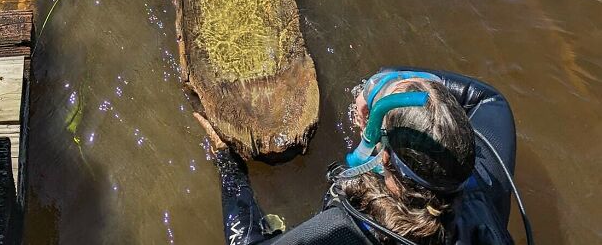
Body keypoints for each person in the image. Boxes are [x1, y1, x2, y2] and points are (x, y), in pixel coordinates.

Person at [197, 67, 533, 245]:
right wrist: (387, 83)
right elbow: (488, 100)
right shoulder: (485, 183)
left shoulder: (344, 231)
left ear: (383, 158)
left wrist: (228, 164)